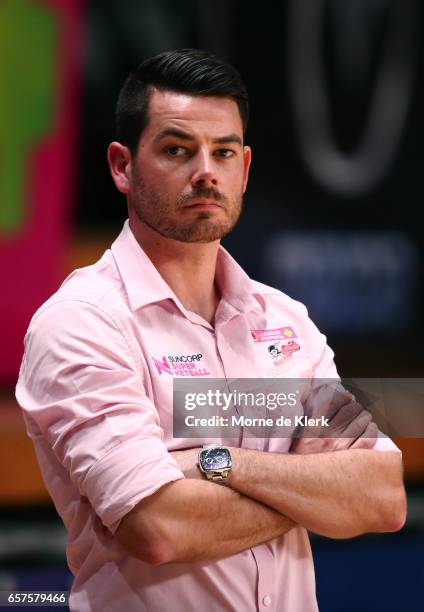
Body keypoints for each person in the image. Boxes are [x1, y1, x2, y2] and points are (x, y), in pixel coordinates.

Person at [16, 49, 406, 612]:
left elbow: (383, 496)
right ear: (121, 166)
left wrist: (213, 463)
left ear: (243, 169)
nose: (205, 170)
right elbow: (159, 526)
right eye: (177, 150)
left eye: (223, 152)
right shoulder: (81, 323)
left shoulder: (285, 320)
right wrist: (312, 488)